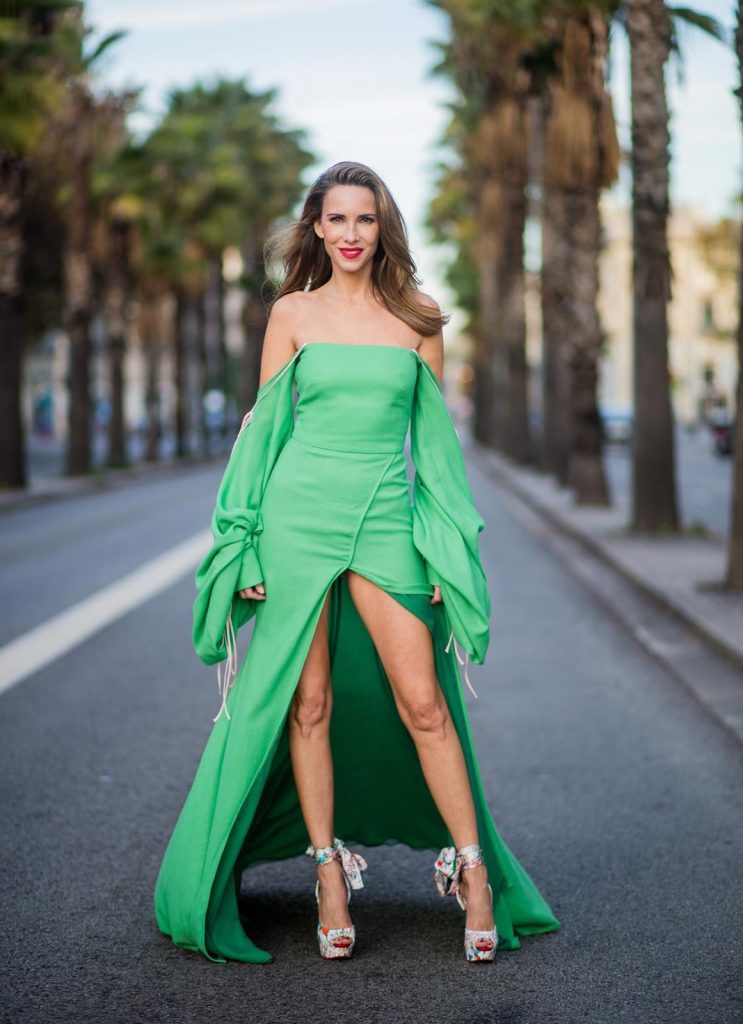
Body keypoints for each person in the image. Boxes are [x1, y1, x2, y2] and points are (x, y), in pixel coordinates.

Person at [153, 160, 560, 965]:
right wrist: (245, 540)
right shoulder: (292, 313)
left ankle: (473, 873)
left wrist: (443, 549)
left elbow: (436, 454)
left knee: (424, 704)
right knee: (306, 706)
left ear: (383, 229)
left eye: (363, 220)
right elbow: (260, 434)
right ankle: (327, 874)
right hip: (296, 521)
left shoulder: (419, 319)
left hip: (384, 521)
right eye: (335, 220)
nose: (348, 234)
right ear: (315, 227)